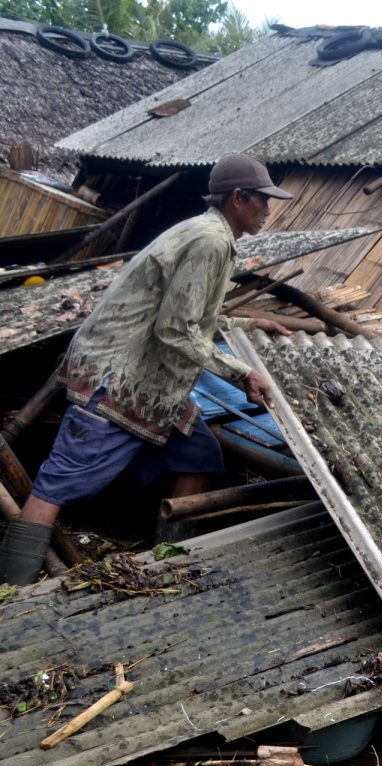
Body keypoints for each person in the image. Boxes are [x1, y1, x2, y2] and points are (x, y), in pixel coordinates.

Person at [0, 153, 295, 584]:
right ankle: (13, 590)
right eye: (263, 201)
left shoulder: (211, 235)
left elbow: (188, 315)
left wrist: (247, 323)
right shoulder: (208, 241)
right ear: (238, 198)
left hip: (153, 383)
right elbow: (176, 330)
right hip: (118, 379)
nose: (267, 211)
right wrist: (239, 372)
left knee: (199, 454)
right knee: (60, 481)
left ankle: (166, 561)